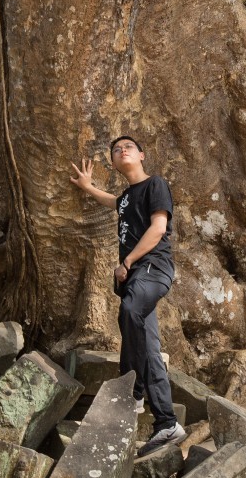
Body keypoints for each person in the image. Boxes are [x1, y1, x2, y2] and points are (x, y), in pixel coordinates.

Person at [71, 134, 184, 455]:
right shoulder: (125, 196)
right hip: (136, 277)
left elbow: (159, 228)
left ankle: (132, 389)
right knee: (148, 345)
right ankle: (167, 422)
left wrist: (128, 261)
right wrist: (87, 187)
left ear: (142, 155)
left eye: (128, 148)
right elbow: (113, 202)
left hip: (152, 267)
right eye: (116, 150)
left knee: (129, 313)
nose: (122, 151)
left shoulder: (155, 185)